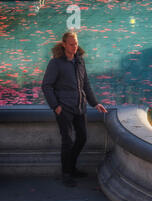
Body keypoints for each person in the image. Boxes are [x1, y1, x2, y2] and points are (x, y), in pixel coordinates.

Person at [42, 31, 108, 187]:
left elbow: (86, 84)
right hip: (64, 109)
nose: (74, 46)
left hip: (80, 106)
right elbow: (46, 86)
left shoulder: (80, 61)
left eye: (76, 43)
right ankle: (66, 173)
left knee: (82, 137)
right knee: (68, 141)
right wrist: (56, 107)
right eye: (71, 44)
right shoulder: (56, 63)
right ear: (64, 44)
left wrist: (95, 103)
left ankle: (71, 167)